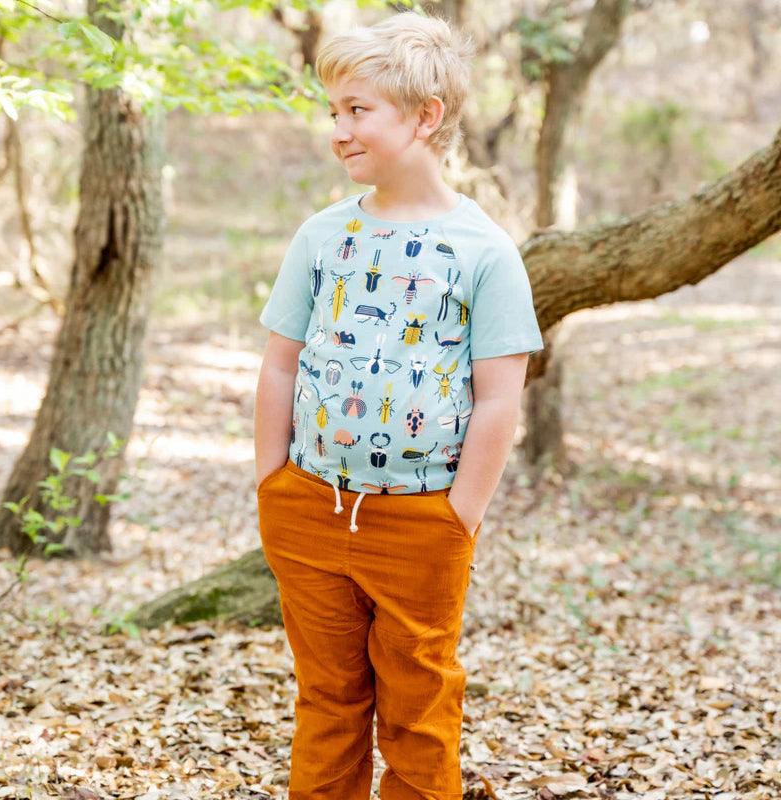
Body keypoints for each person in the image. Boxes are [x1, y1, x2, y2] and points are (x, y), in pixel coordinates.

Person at [253, 11, 544, 799]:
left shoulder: (484, 252)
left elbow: (498, 400)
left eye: (358, 110)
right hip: (311, 509)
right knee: (328, 703)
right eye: (333, 112)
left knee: (418, 714)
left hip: (422, 523)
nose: (339, 131)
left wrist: (461, 515)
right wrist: (273, 485)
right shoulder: (322, 238)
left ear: (425, 117)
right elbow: (281, 364)